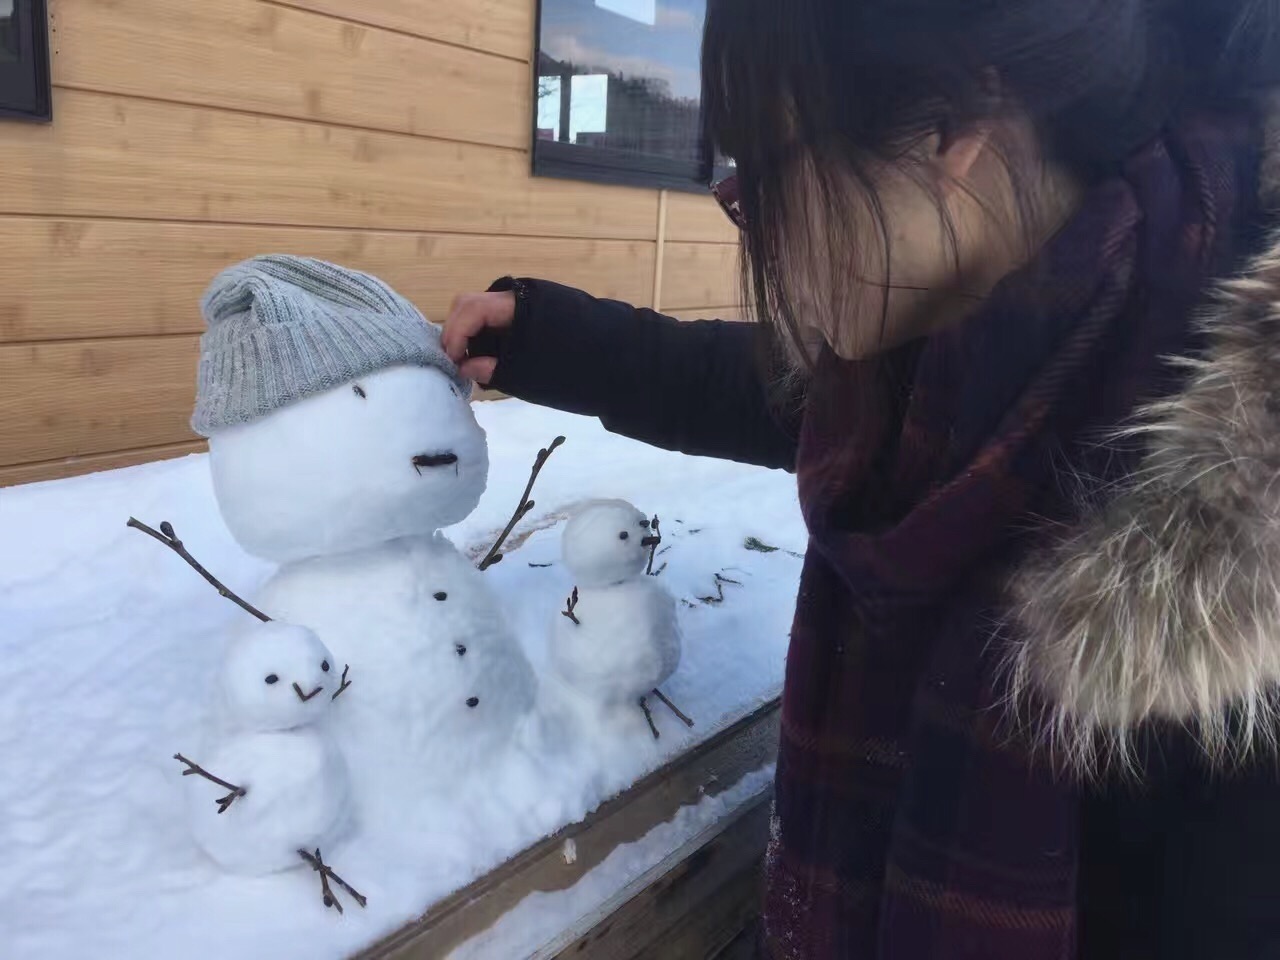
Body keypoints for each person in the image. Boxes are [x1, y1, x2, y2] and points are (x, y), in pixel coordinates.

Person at [444, 1, 1280, 957]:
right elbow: (763, 388)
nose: (750, 229)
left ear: (950, 124)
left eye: (764, 177)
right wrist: (554, 341)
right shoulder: (962, 350)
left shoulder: (1238, 549)